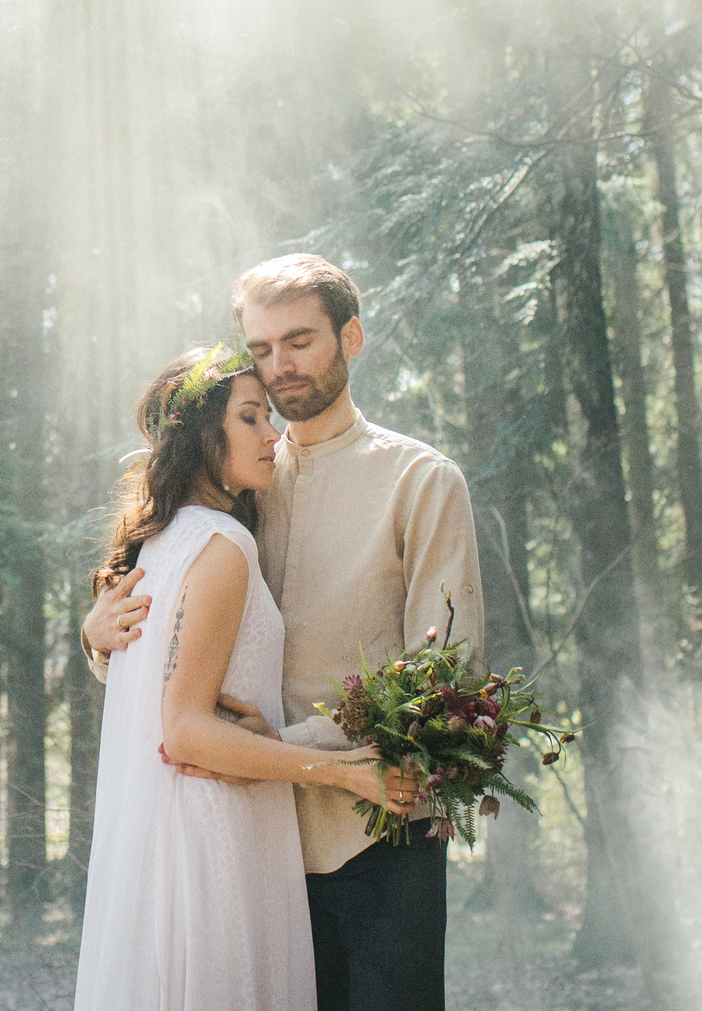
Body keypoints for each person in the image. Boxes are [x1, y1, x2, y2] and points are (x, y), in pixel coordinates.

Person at [83, 255, 484, 1011]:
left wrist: (278, 752)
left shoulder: (421, 481)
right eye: (261, 350)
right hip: (248, 846)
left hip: (376, 836)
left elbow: (446, 687)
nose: (278, 367)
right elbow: (176, 650)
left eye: (298, 340)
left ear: (352, 336)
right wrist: (100, 637)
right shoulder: (240, 477)